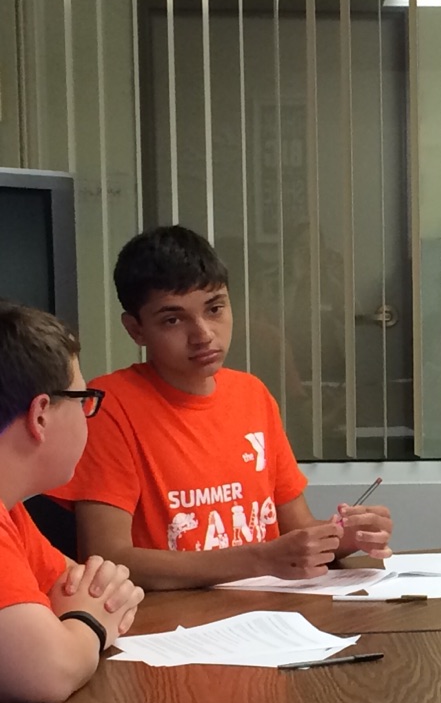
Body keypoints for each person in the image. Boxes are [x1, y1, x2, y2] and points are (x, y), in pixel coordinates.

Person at [49, 226, 394, 590]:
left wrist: (345, 536)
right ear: (136, 330)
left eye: (214, 309)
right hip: (173, 616)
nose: (203, 334)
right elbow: (108, 558)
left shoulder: (252, 395)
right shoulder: (108, 406)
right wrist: (260, 559)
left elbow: (298, 529)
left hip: (271, 610)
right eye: (173, 319)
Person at [0, 302, 145, 703]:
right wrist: (88, 623)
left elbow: (92, 588)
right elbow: (49, 670)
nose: (87, 416)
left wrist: (81, 618)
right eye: (84, 401)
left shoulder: (10, 510)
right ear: (41, 415)